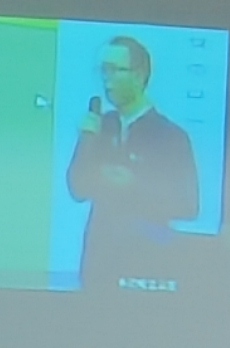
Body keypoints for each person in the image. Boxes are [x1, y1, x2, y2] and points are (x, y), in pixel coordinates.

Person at [63, 36, 199, 290]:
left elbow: (188, 205)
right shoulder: (99, 128)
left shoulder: (171, 136)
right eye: (103, 70)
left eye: (114, 70)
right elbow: (77, 189)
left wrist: (133, 185)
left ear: (139, 75)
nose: (106, 79)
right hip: (98, 268)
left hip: (146, 270)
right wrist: (85, 140)